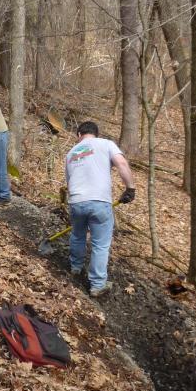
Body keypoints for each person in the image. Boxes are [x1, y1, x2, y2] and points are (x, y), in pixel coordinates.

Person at [64, 121, 135, 297]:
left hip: (76, 201)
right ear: (96, 133)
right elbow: (122, 164)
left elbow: (69, 180)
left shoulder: (70, 153)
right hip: (99, 201)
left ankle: (76, 267)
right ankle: (97, 284)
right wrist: (130, 188)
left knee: (77, 235)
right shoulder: (106, 144)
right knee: (100, 245)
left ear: (79, 134)